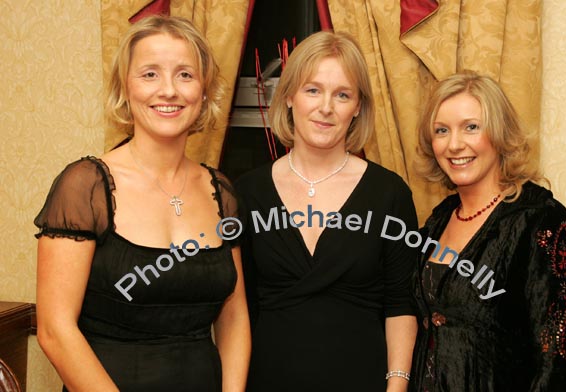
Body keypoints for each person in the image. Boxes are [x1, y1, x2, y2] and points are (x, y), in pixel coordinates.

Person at [34, 15, 250, 392]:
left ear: (203, 91)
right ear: (125, 87)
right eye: (150, 74)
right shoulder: (85, 186)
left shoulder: (221, 191)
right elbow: (55, 330)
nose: (168, 90)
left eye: (185, 74)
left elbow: (233, 319)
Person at [235, 31, 419, 392]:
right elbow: (238, 313)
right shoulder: (246, 193)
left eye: (342, 95)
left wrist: (396, 387)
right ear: (288, 96)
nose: (326, 107)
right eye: (312, 90)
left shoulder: (389, 194)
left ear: (358, 107)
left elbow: (401, 306)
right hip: (267, 380)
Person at [410, 70, 566, 391]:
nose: (454, 144)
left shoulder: (542, 222)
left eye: (471, 127)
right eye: (441, 130)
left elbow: (558, 366)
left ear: (499, 133)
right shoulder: (439, 219)